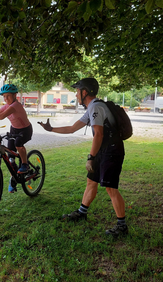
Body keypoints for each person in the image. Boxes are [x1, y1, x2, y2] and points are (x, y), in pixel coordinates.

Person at [38, 78, 128, 237]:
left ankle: (122, 226)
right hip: (104, 149)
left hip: (111, 150)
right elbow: (72, 128)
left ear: (84, 92)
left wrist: (91, 157)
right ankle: (82, 212)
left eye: (77, 91)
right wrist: (51, 128)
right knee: (91, 181)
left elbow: (98, 134)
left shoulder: (96, 107)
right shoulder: (93, 107)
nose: (76, 94)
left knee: (110, 188)